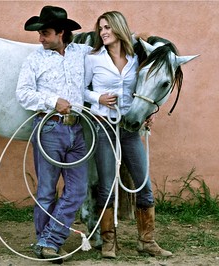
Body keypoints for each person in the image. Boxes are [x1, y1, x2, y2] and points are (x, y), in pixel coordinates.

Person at [84, 11, 172, 258]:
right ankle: (109, 242)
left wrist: (150, 111)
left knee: (143, 184)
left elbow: (149, 88)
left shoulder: (136, 59)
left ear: (120, 29)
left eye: (108, 28)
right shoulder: (93, 59)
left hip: (129, 129)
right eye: (100, 28)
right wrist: (97, 97)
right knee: (106, 187)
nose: (103, 32)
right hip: (103, 127)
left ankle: (146, 241)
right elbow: (80, 89)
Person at [16, 6, 92, 262]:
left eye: (45, 33)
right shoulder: (34, 59)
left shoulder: (81, 53)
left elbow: (109, 53)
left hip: (78, 128)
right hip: (49, 127)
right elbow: (23, 94)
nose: (40, 39)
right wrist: (53, 100)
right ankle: (46, 243)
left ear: (61, 33)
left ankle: (49, 240)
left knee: (78, 189)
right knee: (47, 189)